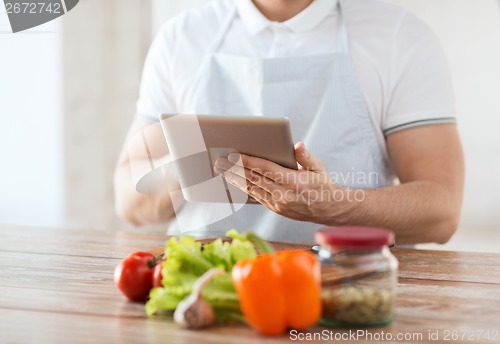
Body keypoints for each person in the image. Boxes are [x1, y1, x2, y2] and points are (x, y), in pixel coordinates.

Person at [114, 0, 464, 244]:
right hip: (202, 289)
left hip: (343, 287)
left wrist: (338, 206)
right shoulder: (181, 37)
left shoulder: (399, 37)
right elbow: (129, 202)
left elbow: (441, 211)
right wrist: (185, 172)